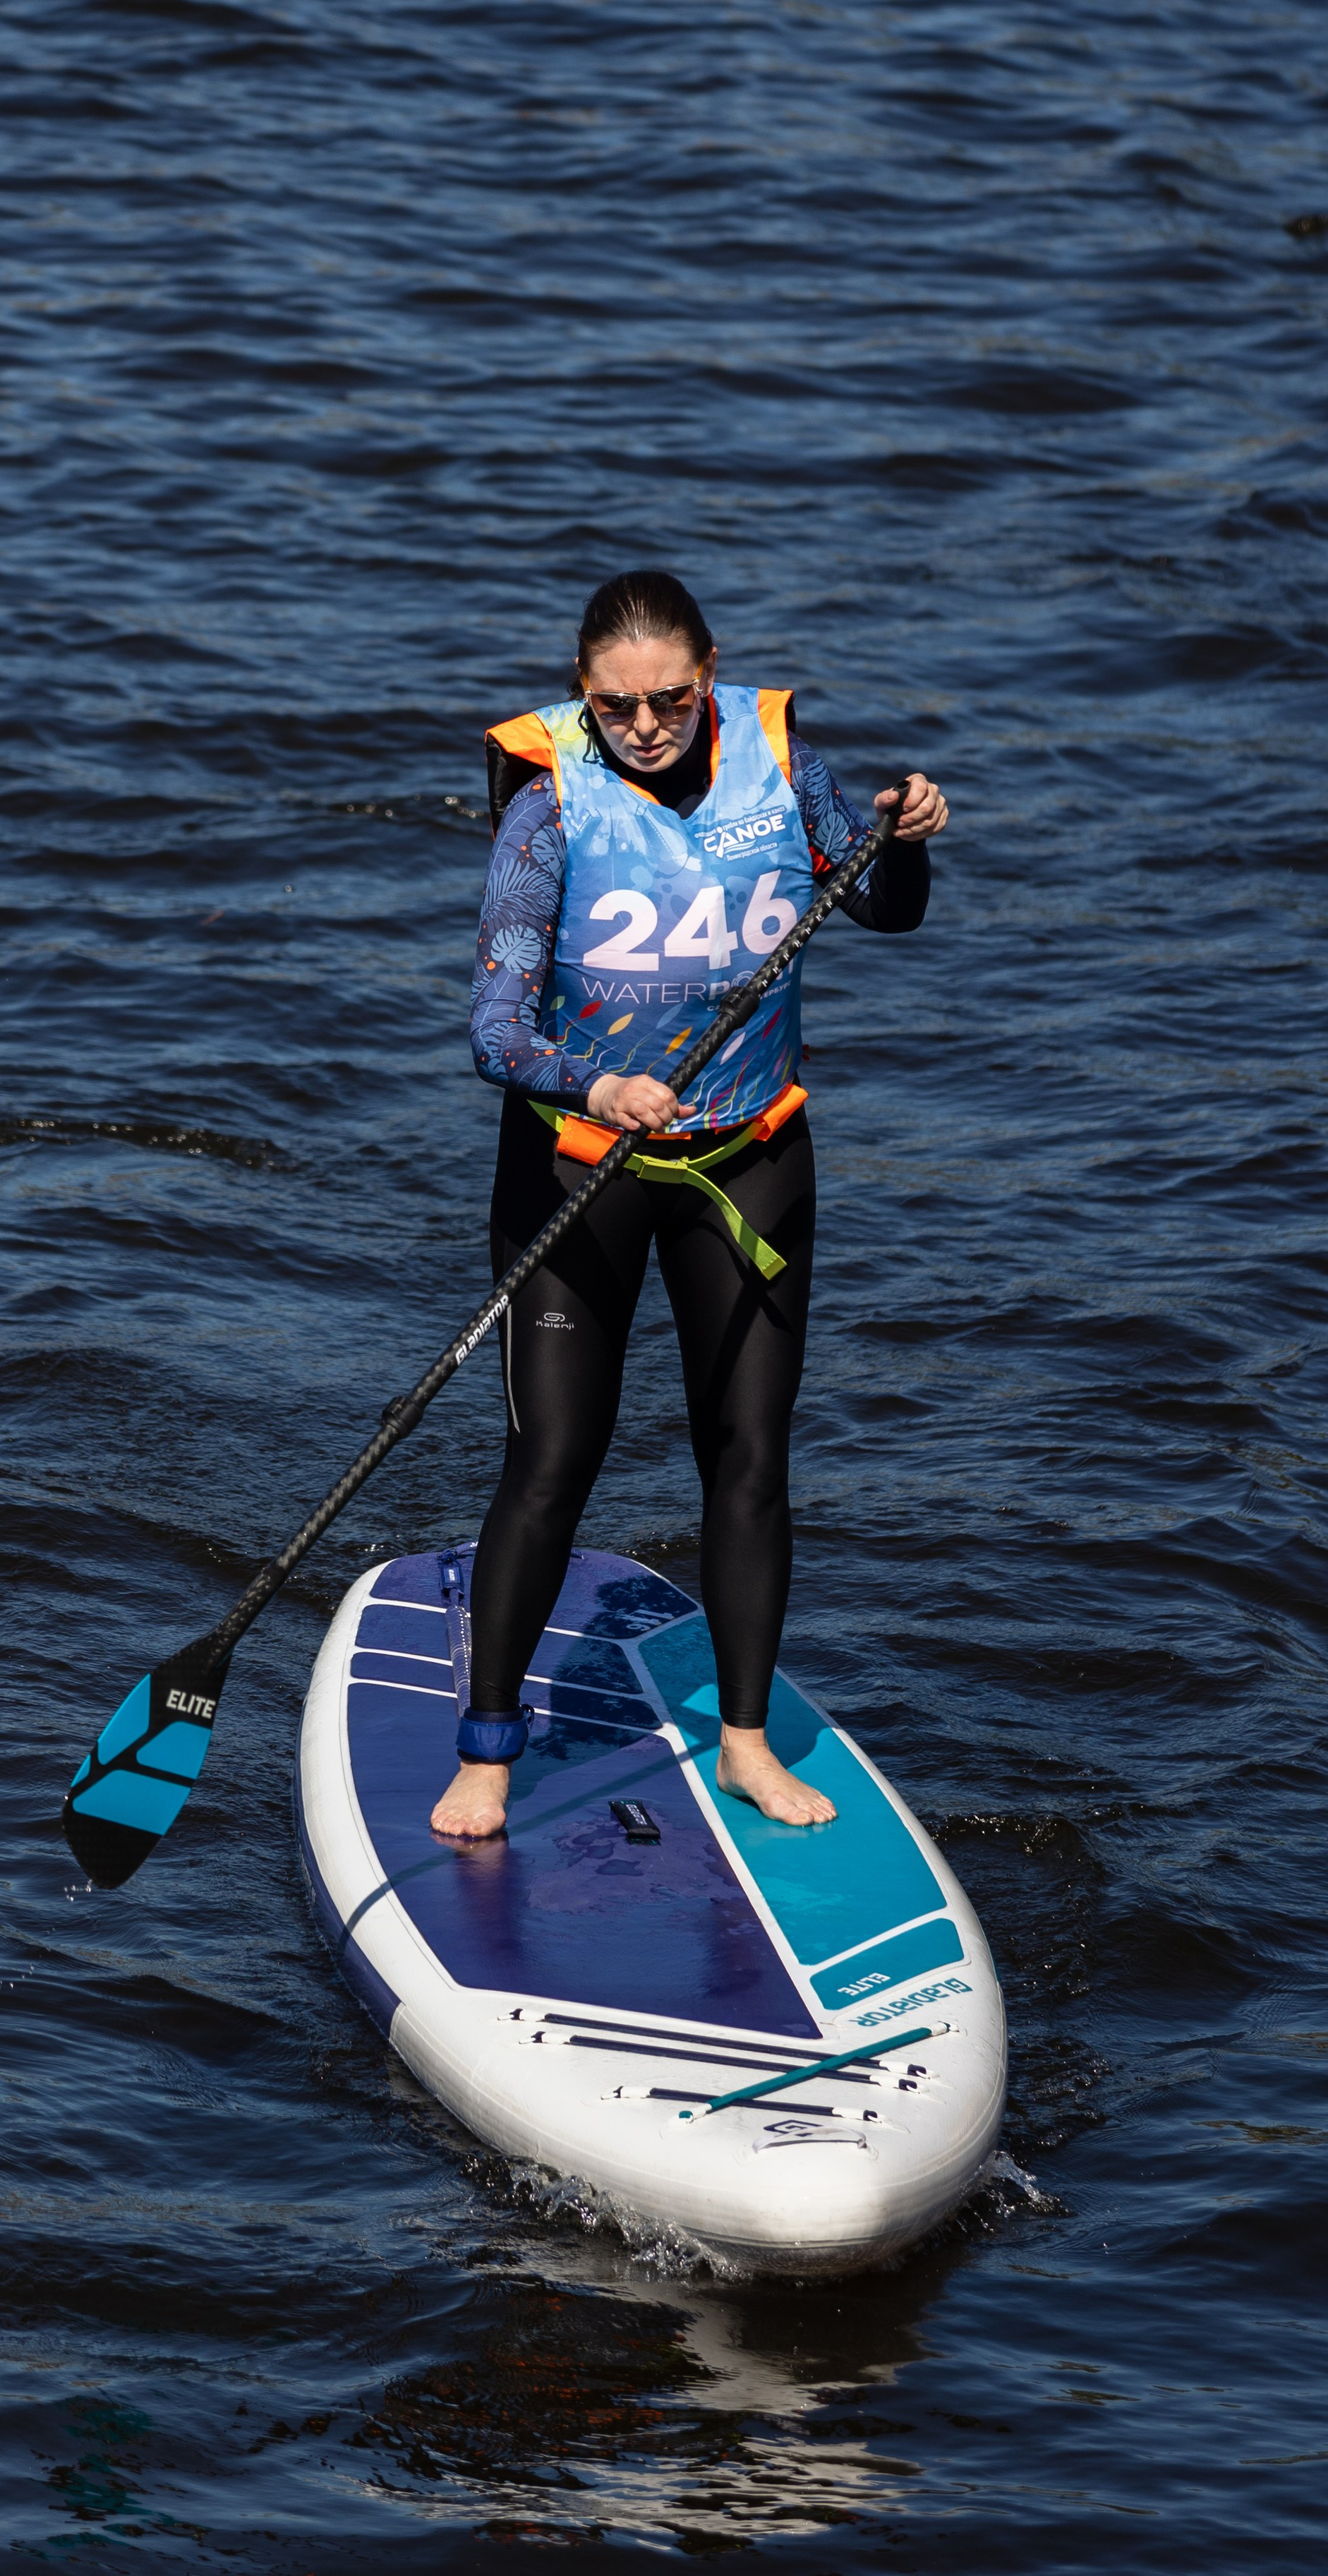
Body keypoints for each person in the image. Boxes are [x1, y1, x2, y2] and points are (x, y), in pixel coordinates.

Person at [430, 570, 948, 1841]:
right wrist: (595, 1077)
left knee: (752, 1464)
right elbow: (493, 1031)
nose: (648, 726)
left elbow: (882, 910)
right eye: (619, 707)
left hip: (749, 1163)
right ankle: (490, 1754)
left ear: (710, 675)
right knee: (554, 1461)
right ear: (582, 693)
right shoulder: (547, 814)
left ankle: (748, 1746)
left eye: (671, 700)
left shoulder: (789, 771)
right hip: (579, 1165)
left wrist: (908, 836)